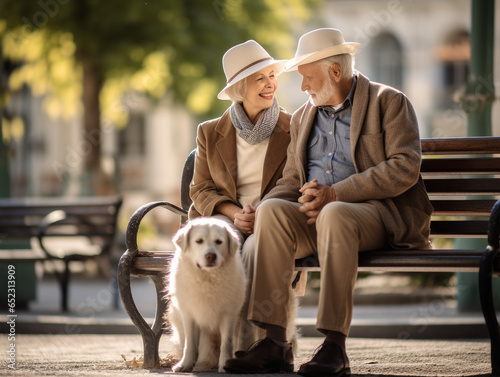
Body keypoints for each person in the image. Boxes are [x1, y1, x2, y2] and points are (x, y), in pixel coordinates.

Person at [224, 28, 433, 376]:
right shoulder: (306, 116)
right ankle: (276, 343)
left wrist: (336, 193)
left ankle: (335, 346)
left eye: (308, 77)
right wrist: (261, 208)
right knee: (274, 210)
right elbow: (292, 179)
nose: (303, 87)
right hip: (317, 218)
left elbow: (404, 167)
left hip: (376, 215)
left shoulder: (389, 102)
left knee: (335, 212)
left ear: (335, 72)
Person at [189, 40, 291, 236]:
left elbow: (295, 183)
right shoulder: (208, 132)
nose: (270, 83)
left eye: (272, 75)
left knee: (256, 249)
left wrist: (260, 215)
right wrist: (236, 215)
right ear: (240, 88)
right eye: (260, 78)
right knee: (223, 241)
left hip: (272, 220)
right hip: (224, 220)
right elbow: (201, 190)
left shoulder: (294, 127)